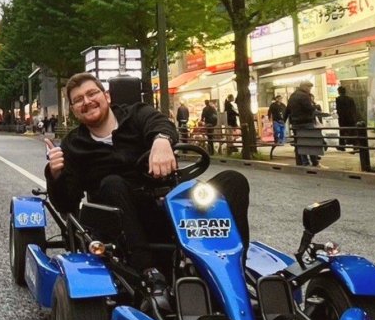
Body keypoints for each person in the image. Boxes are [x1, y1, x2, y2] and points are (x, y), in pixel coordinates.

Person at [45, 73, 250, 279]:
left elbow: (160, 123)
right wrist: (55, 173)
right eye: (79, 100)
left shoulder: (136, 114)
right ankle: (147, 273)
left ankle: (233, 268)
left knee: (233, 180)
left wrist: (161, 141)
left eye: (91, 94)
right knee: (112, 183)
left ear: (106, 96)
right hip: (118, 222)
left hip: (166, 207)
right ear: (73, 110)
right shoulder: (73, 145)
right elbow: (66, 205)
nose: (87, 102)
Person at [285, 81, 323, 166]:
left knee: (301, 143)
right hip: (306, 122)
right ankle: (315, 162)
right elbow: (308, 108)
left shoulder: (292, 96)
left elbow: (287, 109)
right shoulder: (304, 96)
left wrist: (283, 120)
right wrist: (316, 108)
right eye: (309, 88)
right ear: (304, 87)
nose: (310, 90)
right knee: (310, 142)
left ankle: (305, 162)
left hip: (295, 123)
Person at [335, 87, 359, 152]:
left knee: (342, 132)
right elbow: (354, 109)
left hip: (343, 119)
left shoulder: (338, 99)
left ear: (339, 92)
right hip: (351, 118)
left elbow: (339, 110)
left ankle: (342, 146)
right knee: (353, 132)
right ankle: (355, 146)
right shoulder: (350, 99)